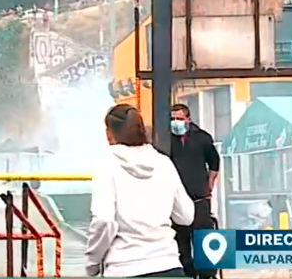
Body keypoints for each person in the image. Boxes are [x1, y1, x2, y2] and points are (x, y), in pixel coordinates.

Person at [86, 104, 194, 278]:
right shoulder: (163, 163)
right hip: (168, 266)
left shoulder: (107, 167)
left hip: (124, 268)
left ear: (109, 134)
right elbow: (186, 216)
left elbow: (104, 221)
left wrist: (92, 264)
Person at [168, 103, 220, 279]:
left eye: (180, 119)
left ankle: (208, 275)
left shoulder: (202, 138)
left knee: (204, 239)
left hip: (199, 198)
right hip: (175, 201)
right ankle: (187, 274)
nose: (176, 122)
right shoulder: (166, 139)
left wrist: (210, 183)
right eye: (173, 119)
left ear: (188, 119)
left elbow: (214, 162)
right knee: (181, 243)